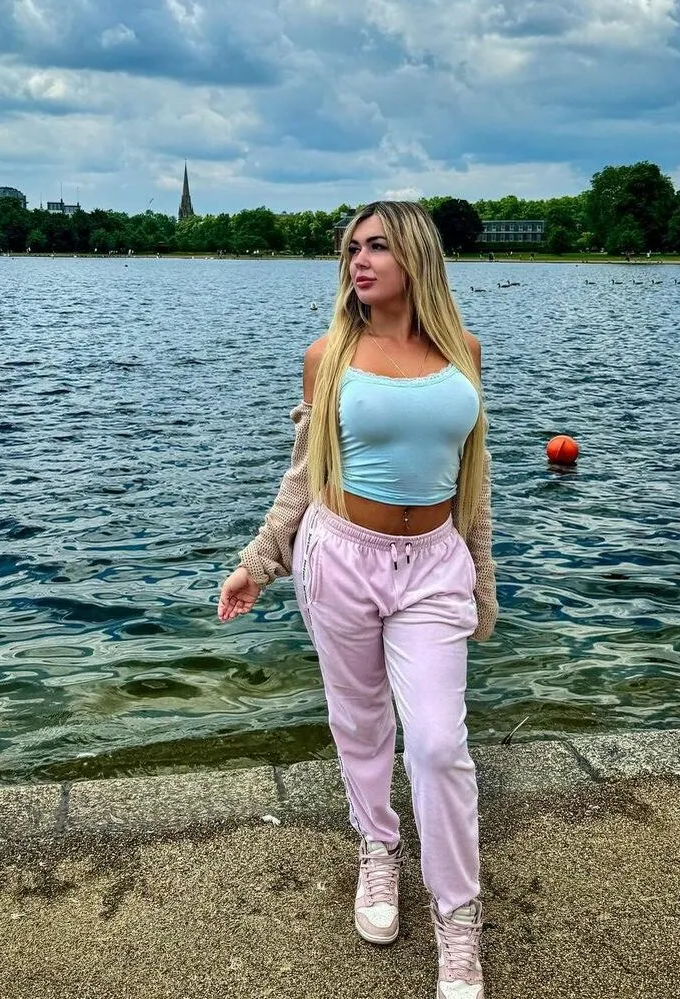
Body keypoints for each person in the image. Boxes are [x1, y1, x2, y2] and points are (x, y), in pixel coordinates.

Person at [218, 201, 498, 999]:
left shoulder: (465, 350)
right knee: (361, 723)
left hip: (433, 563)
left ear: (416, 255)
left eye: (377, 246)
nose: (359, 261)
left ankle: (458, 917)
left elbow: (475, 481)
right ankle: (378, 849)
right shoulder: (328, 354)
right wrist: (258, 561)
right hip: (339, 557)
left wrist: (481, 577)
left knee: (438, 743)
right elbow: (302, 476)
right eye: (351, 249)